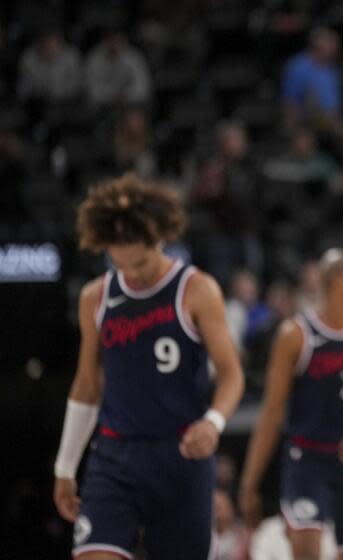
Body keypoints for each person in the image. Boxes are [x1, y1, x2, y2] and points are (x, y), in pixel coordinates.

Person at [52, 173, 245, 558]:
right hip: (115, 456)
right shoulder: (96, 297)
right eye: (120, 264)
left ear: (159, 240)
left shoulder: (197, 289)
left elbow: (231, 375)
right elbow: (87, 386)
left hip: (181, 457)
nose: (133, 274)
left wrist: (214, 422)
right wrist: (65, 466)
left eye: (140, 262)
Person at [239, 249, 343, 560]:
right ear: (340, 281)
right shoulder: (295, 334)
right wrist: (250, 482)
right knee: (307, 548)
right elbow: (271, 414)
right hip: (308, 463)